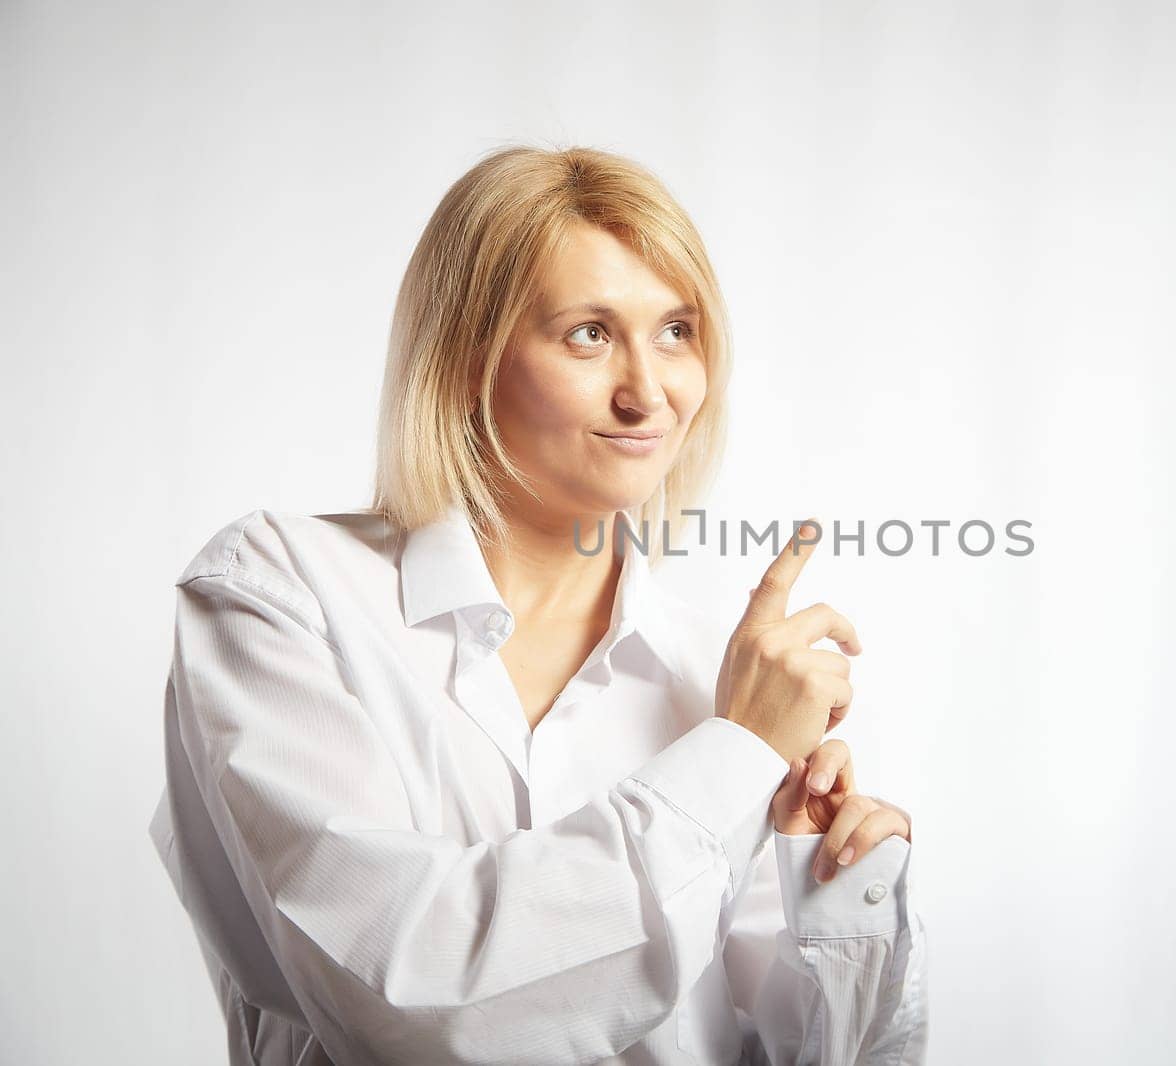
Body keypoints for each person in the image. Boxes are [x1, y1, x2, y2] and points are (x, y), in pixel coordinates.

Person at [146, 145, 929, 1065]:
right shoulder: (279, 591)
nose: (649, 393)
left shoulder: (714, 674)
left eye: (677, 330)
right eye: (589, 333)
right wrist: (735, 756)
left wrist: (837, 893)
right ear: (468, 353)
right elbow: (402, 1003)